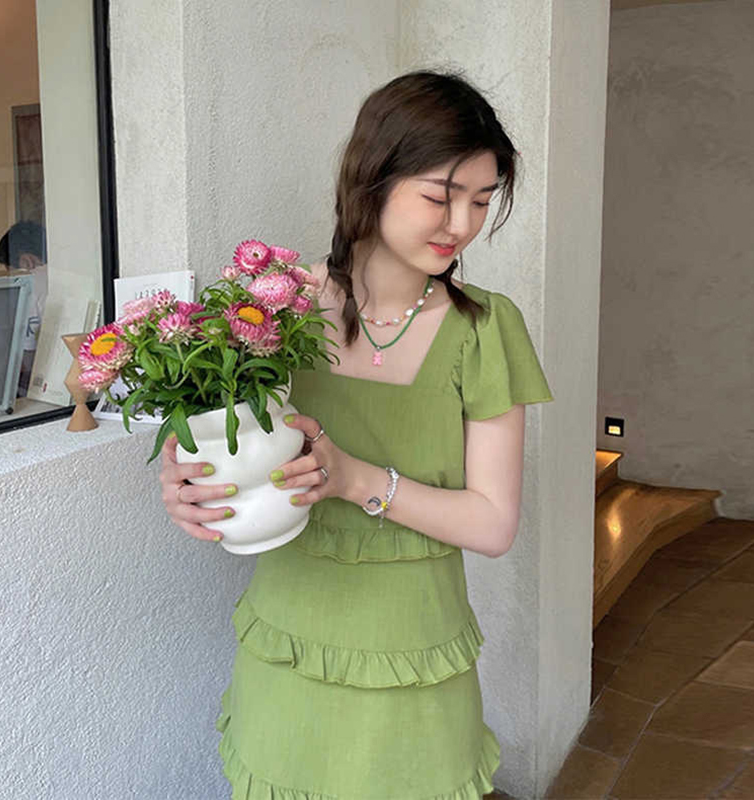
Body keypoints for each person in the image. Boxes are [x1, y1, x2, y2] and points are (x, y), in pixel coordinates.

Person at [159, 70, 554, 798]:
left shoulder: (485, 328)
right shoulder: (275, 311)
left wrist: (356, 480)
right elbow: (217, 440)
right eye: (440, 196)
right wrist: (184, 483)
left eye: (481, 200)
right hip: (289, 646)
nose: (461, 224)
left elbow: (494, 523)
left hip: (415, 658)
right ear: (372, 179)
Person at [0, 220, 48, 396]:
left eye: (9, 270)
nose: (11, 277)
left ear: (27, 261)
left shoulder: (31, 284)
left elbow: (27, 355)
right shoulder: (61, 275)